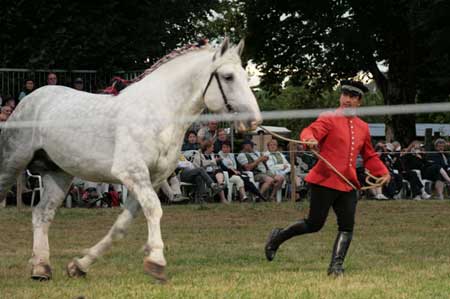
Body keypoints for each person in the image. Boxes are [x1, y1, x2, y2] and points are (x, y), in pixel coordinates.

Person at [264, 80, 390, 277]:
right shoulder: (329, 118)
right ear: (341, 97)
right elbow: (310, 131)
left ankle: (336, 267)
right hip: (324, 180)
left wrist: (382, 172)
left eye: (353, 97)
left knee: (347, 226)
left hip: (348, 184)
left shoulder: (363, 127)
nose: (348, 99)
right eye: (345, 95)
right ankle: (277, 238)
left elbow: (369, 155)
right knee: (314, 224)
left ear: (359, 101)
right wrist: (309, 140)